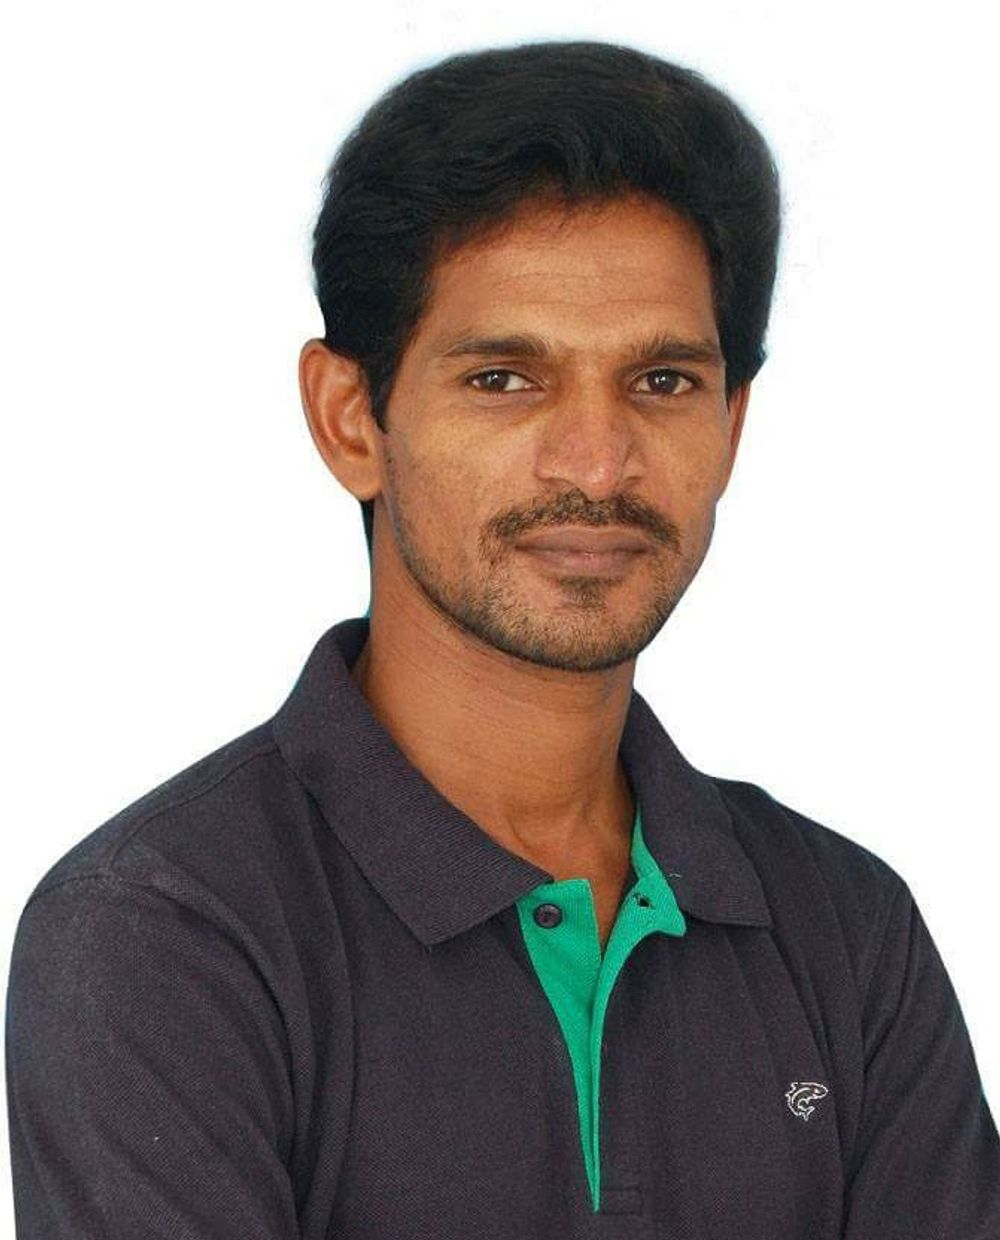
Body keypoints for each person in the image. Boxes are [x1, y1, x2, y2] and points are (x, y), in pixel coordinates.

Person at [5, 39, 998, 1240]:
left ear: (732, 427)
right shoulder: (166, 929)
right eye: (504, 379)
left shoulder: (846, 927)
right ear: (350, 419)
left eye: (663, 381)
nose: (598, 463)